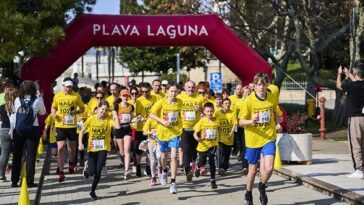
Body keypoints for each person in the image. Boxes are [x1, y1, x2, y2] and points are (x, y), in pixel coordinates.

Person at [239, 73, 282, 205]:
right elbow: (240, 121)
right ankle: (248, 193)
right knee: (252, 170)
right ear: (254, 86)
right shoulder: (249, 101)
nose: (261, 87)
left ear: (267, 85)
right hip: (253, 139)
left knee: (269, 168)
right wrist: (251, 120)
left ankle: (262, 186)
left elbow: (275, 112)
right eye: (258, 85)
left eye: (263, 84)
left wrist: (278, 122)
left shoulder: (272, 97)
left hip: (268, 137)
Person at [79, 101, 120, 200]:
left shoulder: (108, 119)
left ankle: (92, 191)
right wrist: (80, 143)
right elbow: (81, 131)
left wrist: (115, 114)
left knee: (98, 171)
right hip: (92, 148)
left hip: (103, 148)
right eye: (102, 109)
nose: (104, 112)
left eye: (106, 110)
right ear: (98, 108)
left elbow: (118, 127)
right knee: (91, 172)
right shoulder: (91, 119)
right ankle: (87, 169)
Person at [149, 82, 183, 194]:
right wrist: (162, 121)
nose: (173, 93)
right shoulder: (161, 102)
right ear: (167, 92)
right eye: (171, 91)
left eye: (175, 91)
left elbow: (180, 115)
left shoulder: (180, 102)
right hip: (163, 133)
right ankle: (164, 170)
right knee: (163, 157)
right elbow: (151, 114)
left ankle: (173, 183)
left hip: (175, 132)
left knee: (173, 157)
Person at [11, 80, 46, 188]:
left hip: (19, 130)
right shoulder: (37, 100)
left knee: (17, 156)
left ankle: (14, 180)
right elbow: (43, 112)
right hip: (32, 130)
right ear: (33, 89)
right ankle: (29, 181)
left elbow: (14, 112)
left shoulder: (17, 100)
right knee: (31, 156)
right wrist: (40, 97)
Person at [51, 78, 84, 182]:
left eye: (70, 87)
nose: (69, 89)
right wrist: (53, 114)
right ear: (63, 86)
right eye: (67, 87)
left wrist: (77, 111)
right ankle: (61, 172)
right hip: (60, 125)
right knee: (60, 148)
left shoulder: (76, 95)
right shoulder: (57, 96)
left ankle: (71, 162)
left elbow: (82, 108)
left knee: (71, 148)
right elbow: (53, 107)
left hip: (71, 125)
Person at [336, 62, 364, 179]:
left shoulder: (351, 86)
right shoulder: (357, 84)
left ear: (356, 73)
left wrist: (339, 74)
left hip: (355, 118)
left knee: (355, 144)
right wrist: (348, 74)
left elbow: (338, 85)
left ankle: (359, 169)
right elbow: (357, 82)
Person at [176, 80, 203, 181]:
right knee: (186, 148)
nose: (191, 89)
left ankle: (194, 165)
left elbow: (208, 110)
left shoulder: (199, 97)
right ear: (185, 88)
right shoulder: (180, 97)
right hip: (184, 128)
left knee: (195, 150)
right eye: (189, 87)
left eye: (192, 87)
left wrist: (200, 108)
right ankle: (187, 170)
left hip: (196, 128)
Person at [193, 102, 221, 189]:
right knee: (202, 162)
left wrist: (219, 137)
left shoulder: (216, 120)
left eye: (211, 111)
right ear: (204, 112)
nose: (210, 113)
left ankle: (213, 180)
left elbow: (219, 129)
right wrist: (197, 138)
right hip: (203, 145)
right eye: (208, 111)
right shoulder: (202, 121)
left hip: (213, 144)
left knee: (212, 162)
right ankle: (197, 167)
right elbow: (195, 133)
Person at [113, 89, 133, 180]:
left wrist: (135, 120)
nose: (125, 97)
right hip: (119, 128)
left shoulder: (131, 106)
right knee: (121, 151)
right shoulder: (117, 106)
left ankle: (126, 170)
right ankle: (123, 161)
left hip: (127, 128)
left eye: (126, 96)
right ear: (121, 96)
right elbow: (115, 116)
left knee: (127, 150)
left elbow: (131, 118)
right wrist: (117, 125)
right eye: (123, 96)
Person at [0, 87, 18, 181]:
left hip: (4, 129)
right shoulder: (18, 106)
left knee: (4, 153)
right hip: (16, 130)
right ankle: (15, 176)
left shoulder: (2, 107)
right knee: (17, 153)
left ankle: (1, 175)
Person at [216, 98, 236, 175]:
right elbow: (216, 123)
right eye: (226, 103)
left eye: (228, 103)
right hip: (220, 137)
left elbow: (235, 123)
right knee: (221, 152)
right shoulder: (217, 113)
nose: (227, 105)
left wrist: (231, 133)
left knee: (227, 153)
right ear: (222, 105)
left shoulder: (232, 112)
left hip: (229, 137)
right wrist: (218, 133)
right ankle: (220, 168)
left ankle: (224, 168)